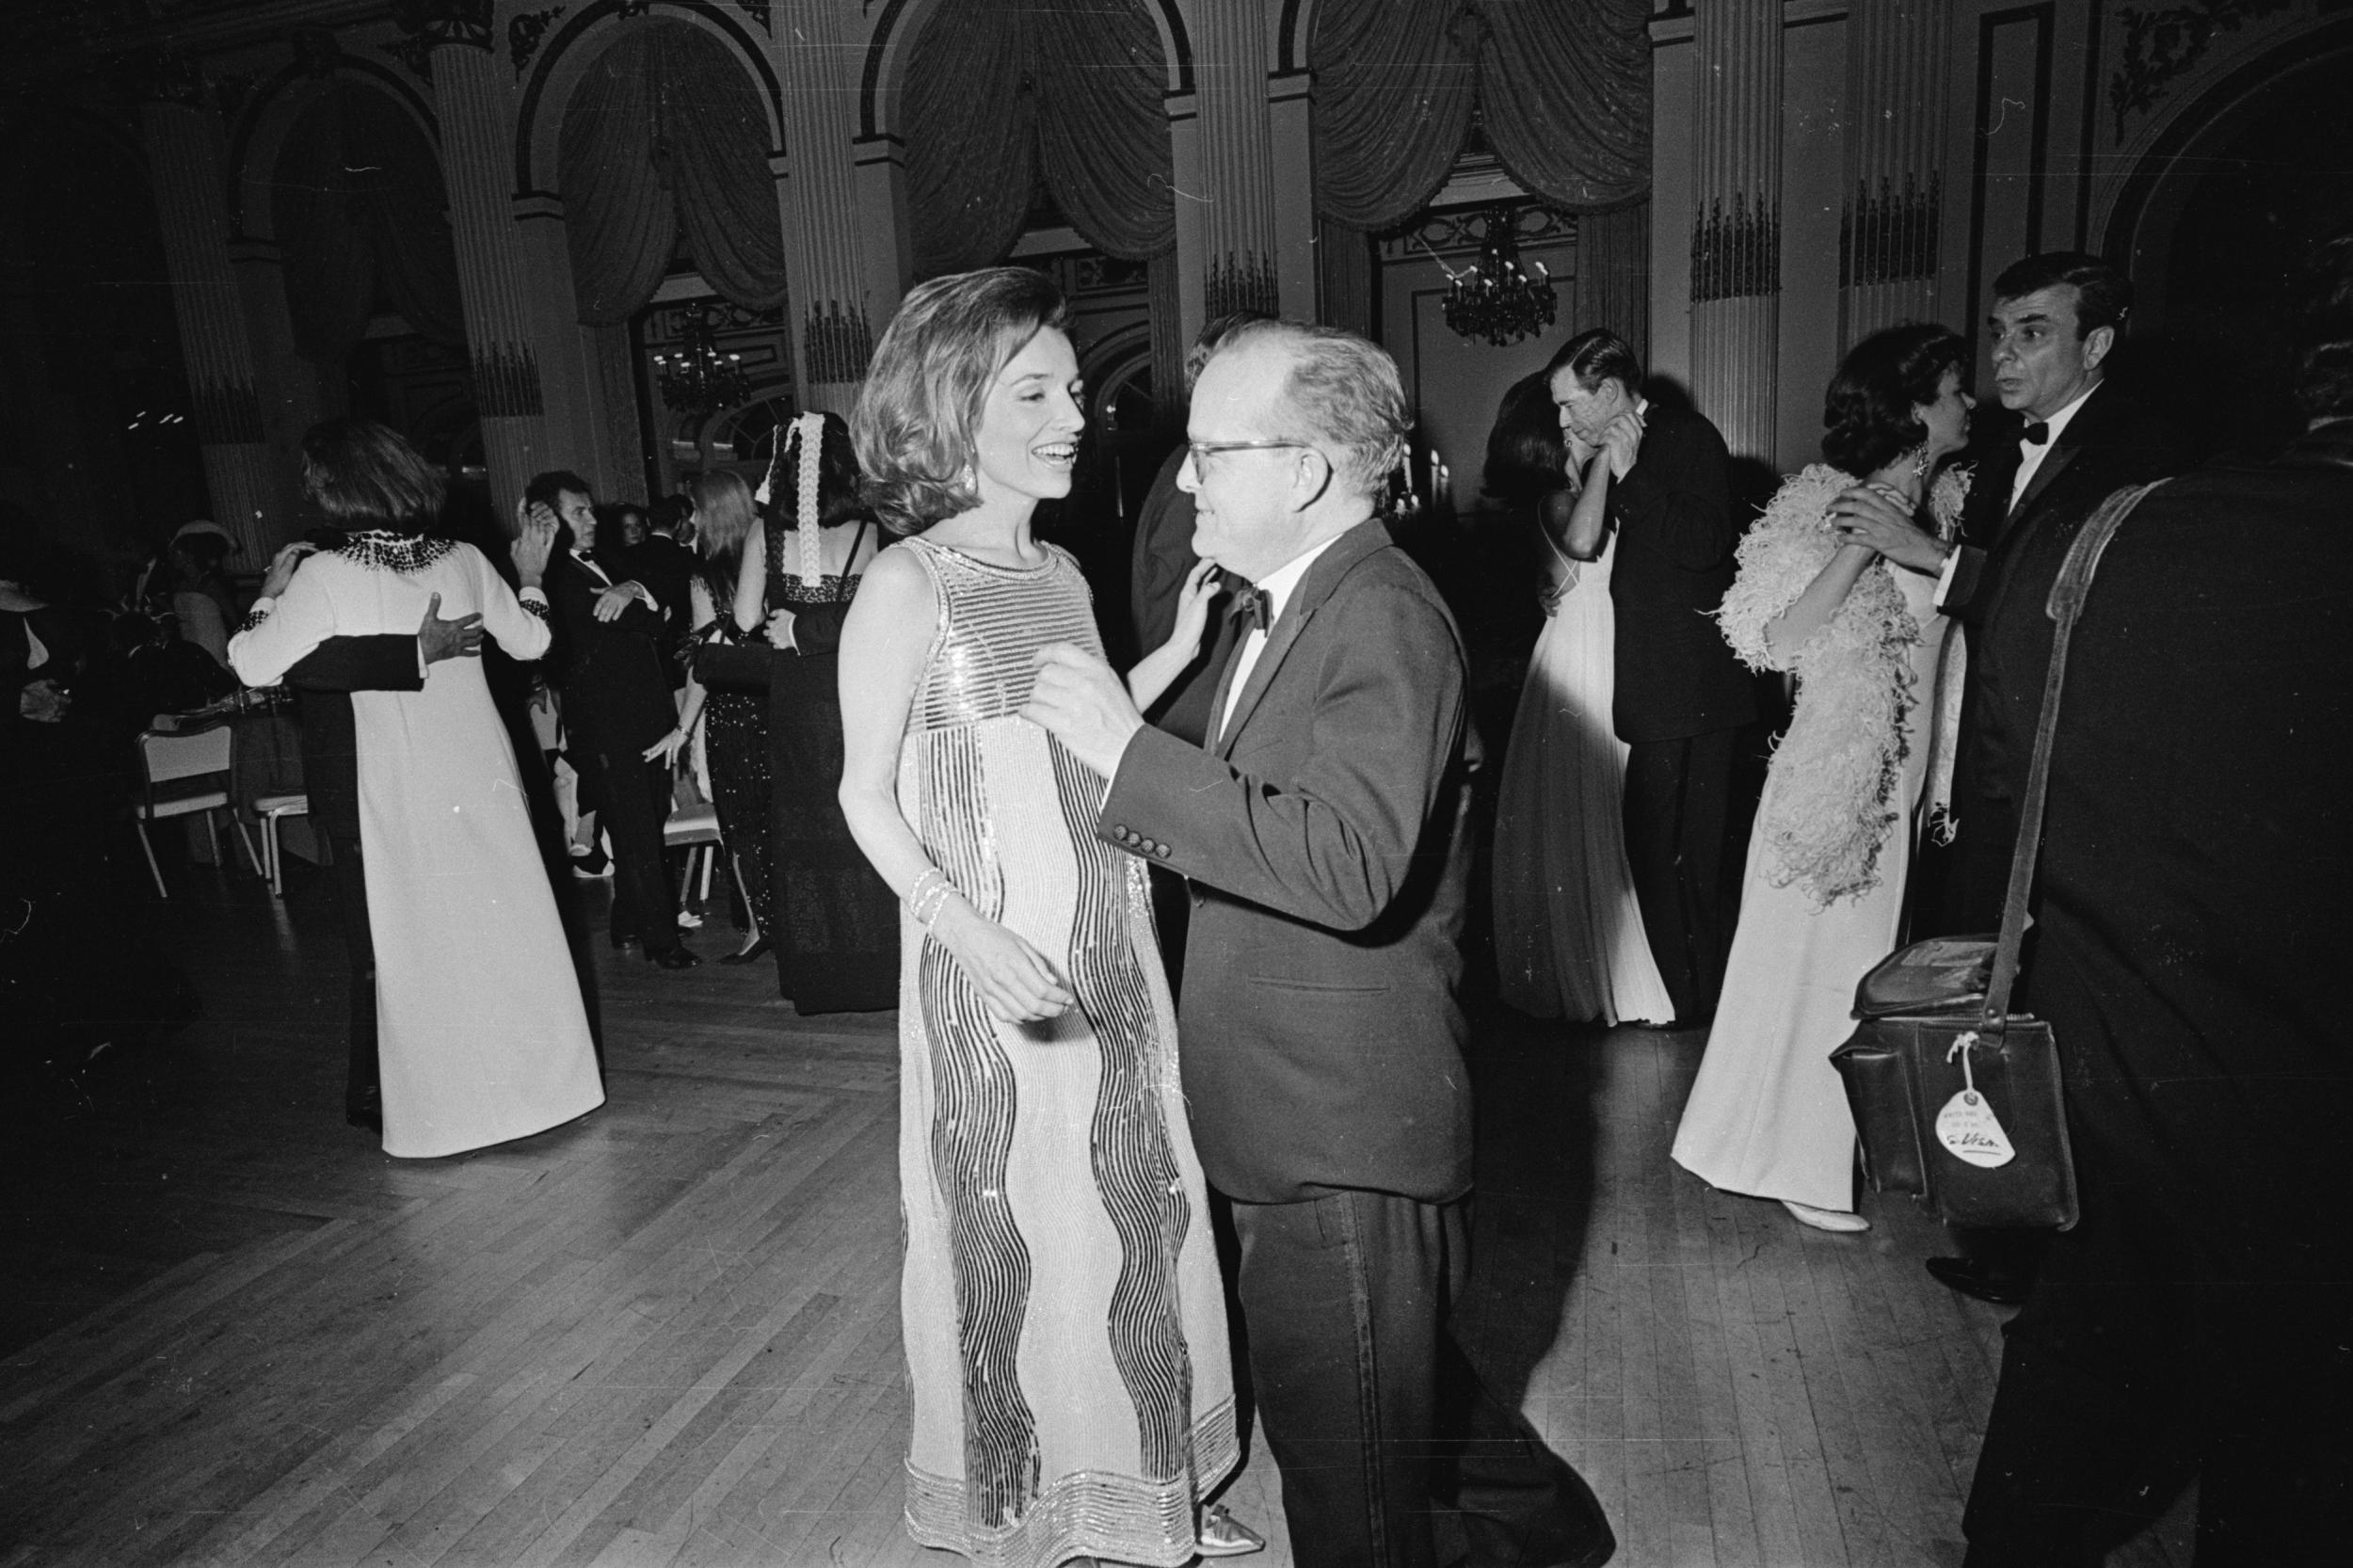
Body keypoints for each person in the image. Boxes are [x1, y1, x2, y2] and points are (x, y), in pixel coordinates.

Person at [1025, 318, 1614, 1568]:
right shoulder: (1285, 605)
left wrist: (1121, 753)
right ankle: (1543, 1529)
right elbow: (1244, 796)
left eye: (1207, 453)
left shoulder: (1384, 617)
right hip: (1300, 1105)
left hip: (1339, 1130)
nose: (1182, 481)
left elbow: (1346, 866)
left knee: (1347, 1490)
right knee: (1383, 1396)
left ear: (1302, 470)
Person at [836, 267, 1251, 1566]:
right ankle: (1029, 1507)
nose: (1075, 414)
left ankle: (1150, 1483)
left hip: (1109, 937)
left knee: (1138, 1200)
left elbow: (1074, 733)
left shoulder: (1065, 571)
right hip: (987, 958)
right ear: (955, 408)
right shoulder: (907, 583)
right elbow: (860, 792)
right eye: (1036, 391)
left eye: (1074, 389)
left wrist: (1174, 654)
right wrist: (961, 930)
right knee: (1012, 1219)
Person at [1959, 227, 2353, 1565]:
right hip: (2312, 1133)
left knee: (2057, 1451)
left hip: (2113, 1094)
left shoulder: (2099, 536)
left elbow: (2008, 795)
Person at [1830, 253, 2187, 1302]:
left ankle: (2062, 1257)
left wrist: (1922, 554)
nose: (2004, 355)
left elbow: (2067, 600)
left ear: (2098, 344)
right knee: (1981, 991)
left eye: (2033, 331)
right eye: (1998, 333)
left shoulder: (2137, 447)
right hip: (1981, 762)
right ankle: (2007, 1231)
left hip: (2063, 775)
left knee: (2051, 1004)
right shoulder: (1995, 452)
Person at [1671, 325, 1976, 1233]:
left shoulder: (1952, 498)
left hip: (1904, 770)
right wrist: (1864, 538)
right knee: (1817, 969)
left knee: (1853, 967)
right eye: (1956, 390)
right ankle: (1794, 1164)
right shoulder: (1820, 499)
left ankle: (1773, 1148)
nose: (1970, 405)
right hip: (1835, 775)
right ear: (1916, 407)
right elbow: (1776, 641)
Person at [228, 419, 602, 1158]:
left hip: (403, 773)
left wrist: (268, 597)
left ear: (336, 488)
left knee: (424, 941)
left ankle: (452, 1113)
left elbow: (251, 664)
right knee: (507, 928)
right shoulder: (461, 558)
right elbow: (532, 641)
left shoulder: (327, 575)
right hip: (482, 767)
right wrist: (529, 577)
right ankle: (546, 1091)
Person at [1546, 329, 1756, 1027]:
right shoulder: (1625, 444)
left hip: (1691, 690)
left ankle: (1704, 1012)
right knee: (1665, 855)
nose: (1562, 420)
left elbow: (1704, 546)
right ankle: (1698, 1005)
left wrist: (1631, 475)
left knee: (1683, 857)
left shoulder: (1687, 436)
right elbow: (1585, 541)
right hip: (1663, 688)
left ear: (1609, 392)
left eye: (1568, 404)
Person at [258, 556, 493, 1131]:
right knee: (373, 949)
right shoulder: (306, 636)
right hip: (352, 795)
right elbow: (264, 665)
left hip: (401, 784)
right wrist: (268, 598)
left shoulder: (357, 622)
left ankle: (427, 1080)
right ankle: (374, 1091)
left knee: (415, 939)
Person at [1487, 370, 1673, 1026]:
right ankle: (1596, 980)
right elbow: (1584, 544)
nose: (1578, 422)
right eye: (1565, 416)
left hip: (1601, 645)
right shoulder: (1555, 500)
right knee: (1592, 804)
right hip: (1583, 654)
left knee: (1604, 808)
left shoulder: (1572, 493)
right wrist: (1598, 463)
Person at [735, 410, 896, 1011]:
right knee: (869, 815)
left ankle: (824, 975)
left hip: (799, 700)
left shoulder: (767, 537)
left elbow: (748, 618)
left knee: (807, 825)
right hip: (862, 689)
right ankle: (885, 968)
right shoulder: (874, 533)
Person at [532, 470, 699, 968]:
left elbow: (665, 602)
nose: (590, 519)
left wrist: (633, 587)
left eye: (589, 508)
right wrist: (643, 602)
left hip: (645, 717)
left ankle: (627, 920)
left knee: (642, 820)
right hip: (607, 726)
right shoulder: (553, 578)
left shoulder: (606, 561)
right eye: (577, 511)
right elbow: (651, 621)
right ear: (548, 519)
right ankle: (662, 940)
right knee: (638, 830)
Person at [657, 470, 771, 968]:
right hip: (773, 701)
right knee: (776, 816)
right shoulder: (773, 557)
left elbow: (705, 663)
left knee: (741, 822)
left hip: (732, 709)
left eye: (697, 510)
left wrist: (683, 728)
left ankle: (757, 928)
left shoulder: (705, 577)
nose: (692, 520)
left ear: (714, 512)